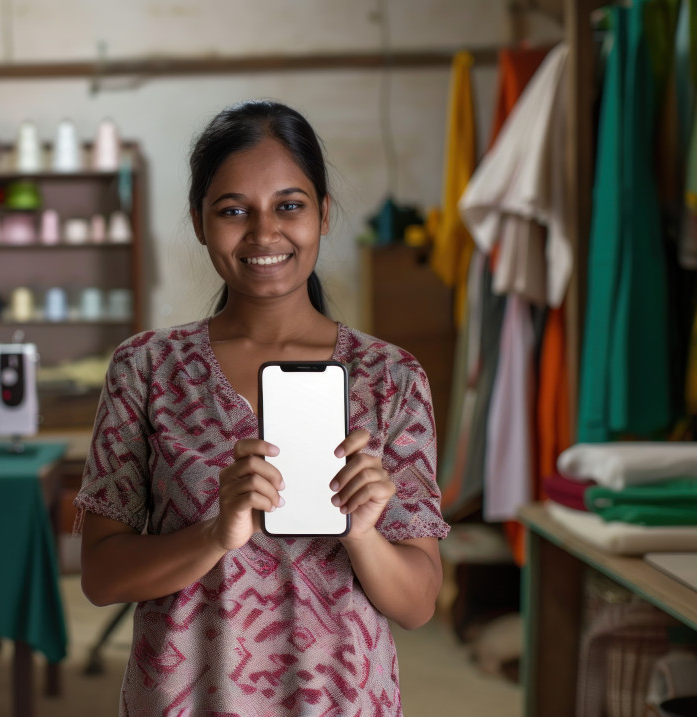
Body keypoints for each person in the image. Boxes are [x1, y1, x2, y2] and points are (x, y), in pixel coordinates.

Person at [75, 100, 450, 716]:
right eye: (233, 210)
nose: (263, 233)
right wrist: (214, 534)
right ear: (199, 222)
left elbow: (417, 605)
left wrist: (362, 535)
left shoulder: (390, 378)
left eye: (289, 206)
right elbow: (100, 576)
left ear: (323, 213)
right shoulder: (146, 368)